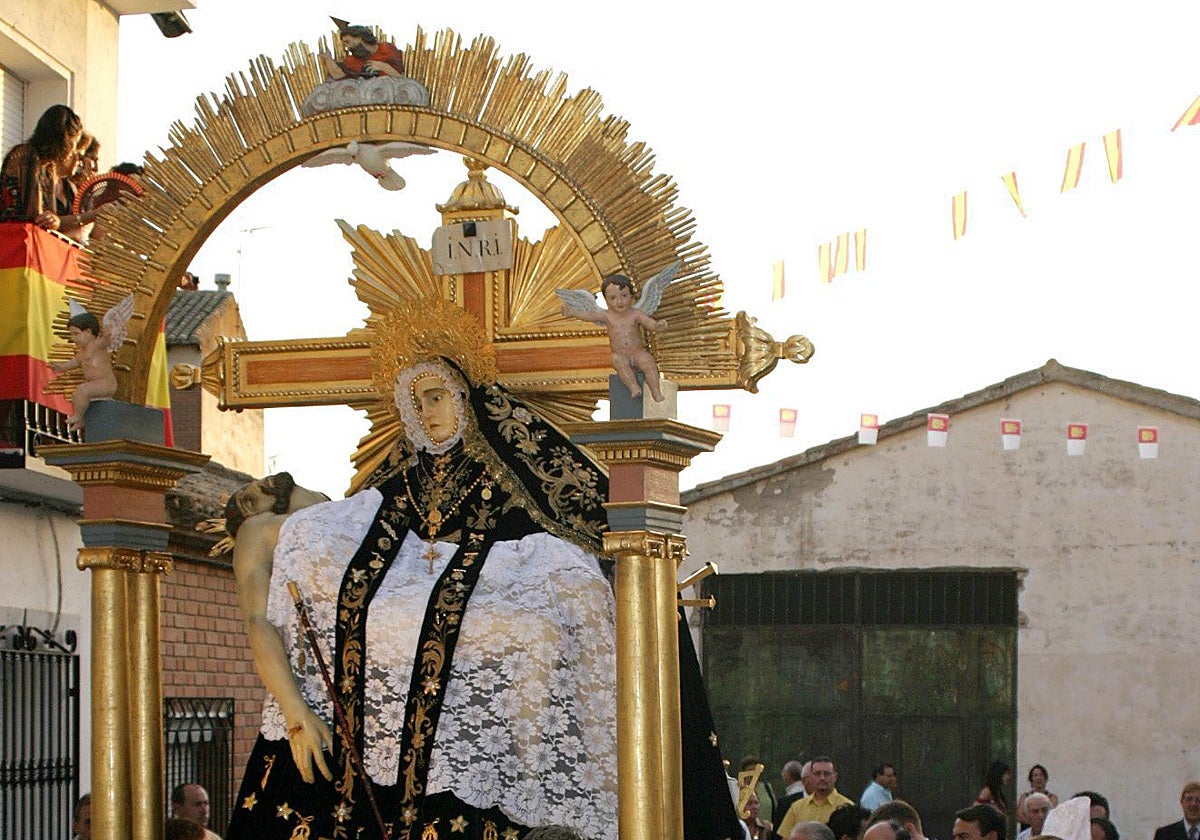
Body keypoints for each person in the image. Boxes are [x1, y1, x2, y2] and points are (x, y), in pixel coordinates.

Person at [560, 274, 670, 401]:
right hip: (620, 354)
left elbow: (649, 323)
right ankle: (633, 387)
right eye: (613, 298)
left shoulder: (636, 314)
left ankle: (656, 391)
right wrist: (574, 313)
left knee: (648, 362)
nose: (619, 301)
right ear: (606, 300)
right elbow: (589, 316)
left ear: (632, 296)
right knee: (617, 361)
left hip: (637, 352)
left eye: (624, 296)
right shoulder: (606, 315)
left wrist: (658, 325)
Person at [0, 105, 95, 237]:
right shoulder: (25, 155)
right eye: (75, 142)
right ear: (66, 138)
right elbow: (35, 217)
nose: (74, 152)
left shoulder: (49, 168)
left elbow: (50, 221)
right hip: (13, 239)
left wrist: (56, 221)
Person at [49, 310, 117, 429]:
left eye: (76, 334)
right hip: (94, 384)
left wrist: (107, 333)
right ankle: (81, 418)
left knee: (81, 391)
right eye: (71, 334)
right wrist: (61, 367)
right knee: (77, 395)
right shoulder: (81, 353)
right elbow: (74, 363)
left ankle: (78, 416)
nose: (73, 338)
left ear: (88, 332)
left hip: (106, 383)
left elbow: (107, 340)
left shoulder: (98, 344)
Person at [778, 756, 854, 837]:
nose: (822, 778)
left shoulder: (847, 807)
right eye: (817, 774)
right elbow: (785, 836)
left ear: (835, 777)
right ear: (811, 777)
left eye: (827, 774)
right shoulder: (797, 807)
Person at [321, 22, 404, 79]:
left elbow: (401, 79)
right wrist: (328, 58)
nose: (347, 48)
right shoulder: (353, 60)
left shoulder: (385, 49)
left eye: (347, 42)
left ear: (359, 38)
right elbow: (337, 74)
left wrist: (383, 67)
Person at [774, 760, 808, 827]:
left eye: (784, 772)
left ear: (788, 775)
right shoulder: (805, 791)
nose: (782, 774)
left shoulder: (791, 796)